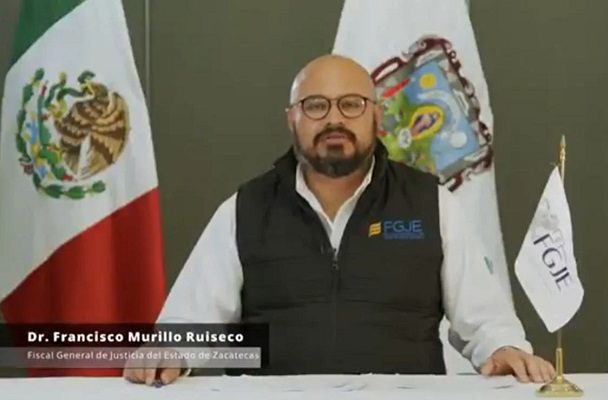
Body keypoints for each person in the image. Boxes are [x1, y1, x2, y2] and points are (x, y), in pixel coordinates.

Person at [124, 55, 555, 386]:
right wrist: (169, 352)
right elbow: (189, 322)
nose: (334, 119)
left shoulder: (430, 204)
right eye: (315, 105)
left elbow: (484, 319)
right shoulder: (246, 208)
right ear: (291, 119)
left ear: (376, 116)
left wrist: (503, 348)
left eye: (351, 105)